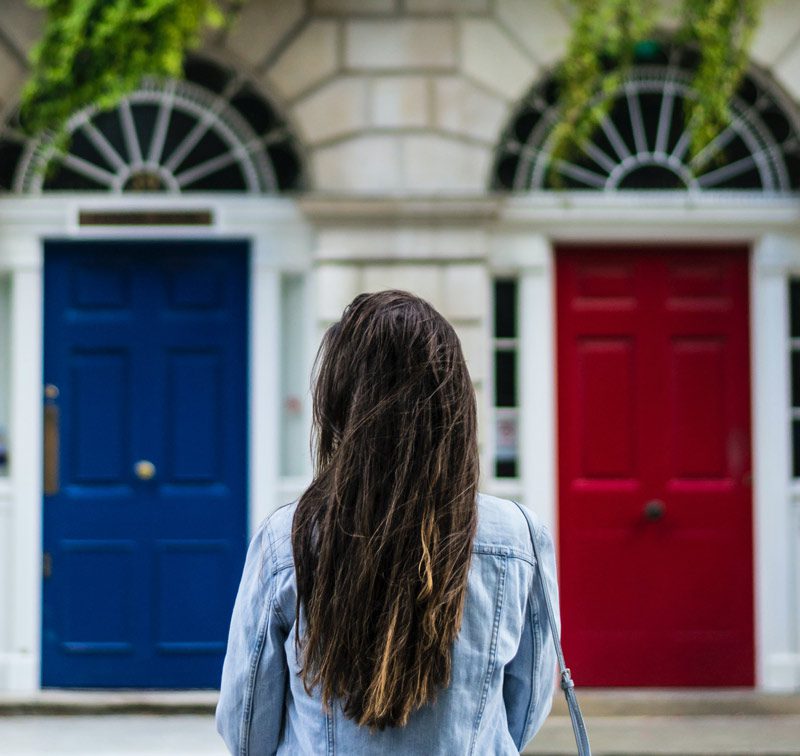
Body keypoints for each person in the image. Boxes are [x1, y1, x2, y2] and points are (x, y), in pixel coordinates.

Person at [216, 290, 559, 755]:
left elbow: (246, 725)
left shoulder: (288, 537)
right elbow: (524, 709)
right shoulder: (519, 536)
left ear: (341, 407)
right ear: (455, 404)